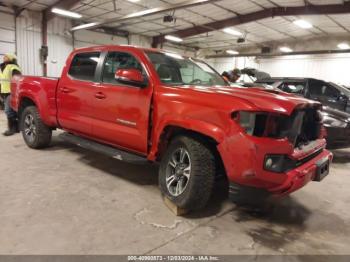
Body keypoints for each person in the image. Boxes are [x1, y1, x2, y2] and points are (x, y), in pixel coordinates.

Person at [0, 53, 22, 136]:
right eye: (4, 56)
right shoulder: (2, 67)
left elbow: (17, 80)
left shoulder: (14, 67)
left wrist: (15, 91)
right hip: (4, 91)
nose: (4, 57)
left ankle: (11, 129)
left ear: (11, 58)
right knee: (12, 110)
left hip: (11, 91)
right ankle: (17, 128)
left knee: (8, 110)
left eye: (6, 56)